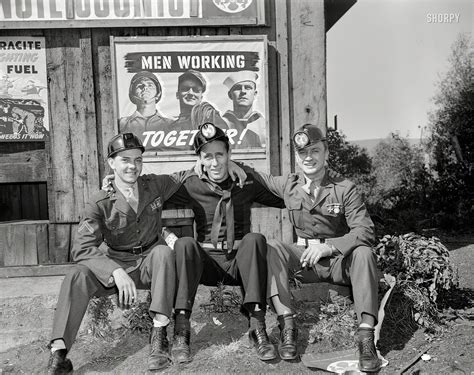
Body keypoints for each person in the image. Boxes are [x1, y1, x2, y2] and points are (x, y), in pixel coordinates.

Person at [47, 133, 186, 374]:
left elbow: (186, 175)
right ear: (111, 163)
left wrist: (230, 164)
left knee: (163, 253)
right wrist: (115, 271)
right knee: (77, 275)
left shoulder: (154, 185)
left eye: (138, 159)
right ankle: (59, 353)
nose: (133, 166)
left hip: (150, 263)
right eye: (125, 159)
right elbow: (81, 248)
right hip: (114, 264)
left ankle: (159, 335)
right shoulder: (100, 201)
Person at [254, 124, 382, 372]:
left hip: (337, 263)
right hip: (303, 261)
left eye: (315, 150)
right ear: (297, 157)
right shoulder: (289, 185)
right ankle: (288, 325)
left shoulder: (345, 188)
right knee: (271, 247)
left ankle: (366, 338)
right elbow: (256, 177)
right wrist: (227, 165)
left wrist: (329, 248)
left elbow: (365, 231)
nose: (309, 157)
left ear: (326, 153)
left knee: (364, 253)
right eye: (303, 153)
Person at [167, 123, 285, 363]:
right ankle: (181, 330)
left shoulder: (246, 180)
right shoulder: (191, 183)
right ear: (199, 159)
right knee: (185, 244)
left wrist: (243, 168)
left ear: (229, 154)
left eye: (220, 155)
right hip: (206, 264)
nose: (214, 163)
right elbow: (153, 195)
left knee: (254, 240)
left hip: (240, 264)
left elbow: (284, 195)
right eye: (207, 156)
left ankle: (257, 328)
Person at [119, 71, 173, 138]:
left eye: (150, 85)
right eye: (140, 86)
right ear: (132, 94)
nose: (145, 88)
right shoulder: (122, 124)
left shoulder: (171, 124)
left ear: (158, 93)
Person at [222, 70, 264, 148]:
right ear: (230, 95)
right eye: (238, 88)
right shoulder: (222, 124)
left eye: (248, 88)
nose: (243, 91)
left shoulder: (263, 125)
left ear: (255, 94)